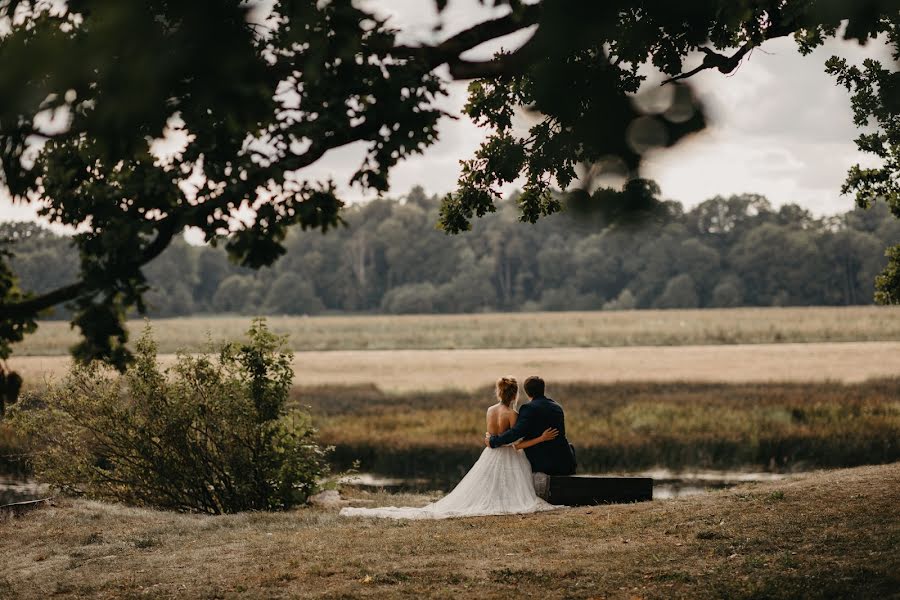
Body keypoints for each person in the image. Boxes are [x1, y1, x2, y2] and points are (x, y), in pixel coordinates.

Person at [339, 376, 562, 519]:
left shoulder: (490, 410)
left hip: (490, 453)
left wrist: (490, 440)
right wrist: (539, 438)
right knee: (511, 486)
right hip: (505, 453)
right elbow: (513, 442)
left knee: (486, 483)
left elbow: (492, 436)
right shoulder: (513, 413)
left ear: (499, 393)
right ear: (514, 394)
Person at [487, 375, 576, 476]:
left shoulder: (528, 409)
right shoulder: (557, 407)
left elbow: (515, 433)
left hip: (544, 464)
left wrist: (493, 441)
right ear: (543, 389)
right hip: (564, 462)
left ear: (527, 392)